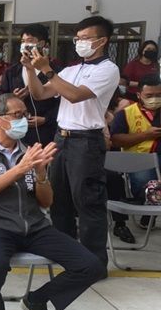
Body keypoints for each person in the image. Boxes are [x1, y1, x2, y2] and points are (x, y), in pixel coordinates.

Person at [0, 93, 105, 310]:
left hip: (35, 226)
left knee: (91, 266)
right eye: (17, 115)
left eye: (25, 115)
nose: (24, 120)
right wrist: (21, 169)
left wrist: (40, 174)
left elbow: (46, 201)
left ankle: (38, 300)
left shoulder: (29, 152)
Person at [23, 16, 120, 266]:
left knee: (87, 201)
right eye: (77, 38)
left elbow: (75, 95)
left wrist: (47, 70)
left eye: (86, 38)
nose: (80, 43)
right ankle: (67, 256)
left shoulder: (107, 69)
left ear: (102, 41)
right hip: (62, 137)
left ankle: (93, 263)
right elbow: (40, 93)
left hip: (86, 140)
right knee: (59, 201)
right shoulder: (71, 69)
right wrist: (30, 69)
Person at [108, 75, 161, 243]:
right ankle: (148, 207)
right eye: (149, 95)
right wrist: (145, 135)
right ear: (139, 95)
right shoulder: (127, 113)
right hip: (139, 159)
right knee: (145, 184)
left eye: (159, 95)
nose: (155, 99)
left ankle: (152, 206)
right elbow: (116, 140)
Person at [0, 24, 61, 146]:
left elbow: (64, 100)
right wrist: (13, 98)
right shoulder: (12, 71)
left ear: (42, 44)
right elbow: (0, 97)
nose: (25, 45)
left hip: (46, 130)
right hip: (17, 128)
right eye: (23, 41)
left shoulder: (55, 71)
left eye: (30, 41)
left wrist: (47, 119)